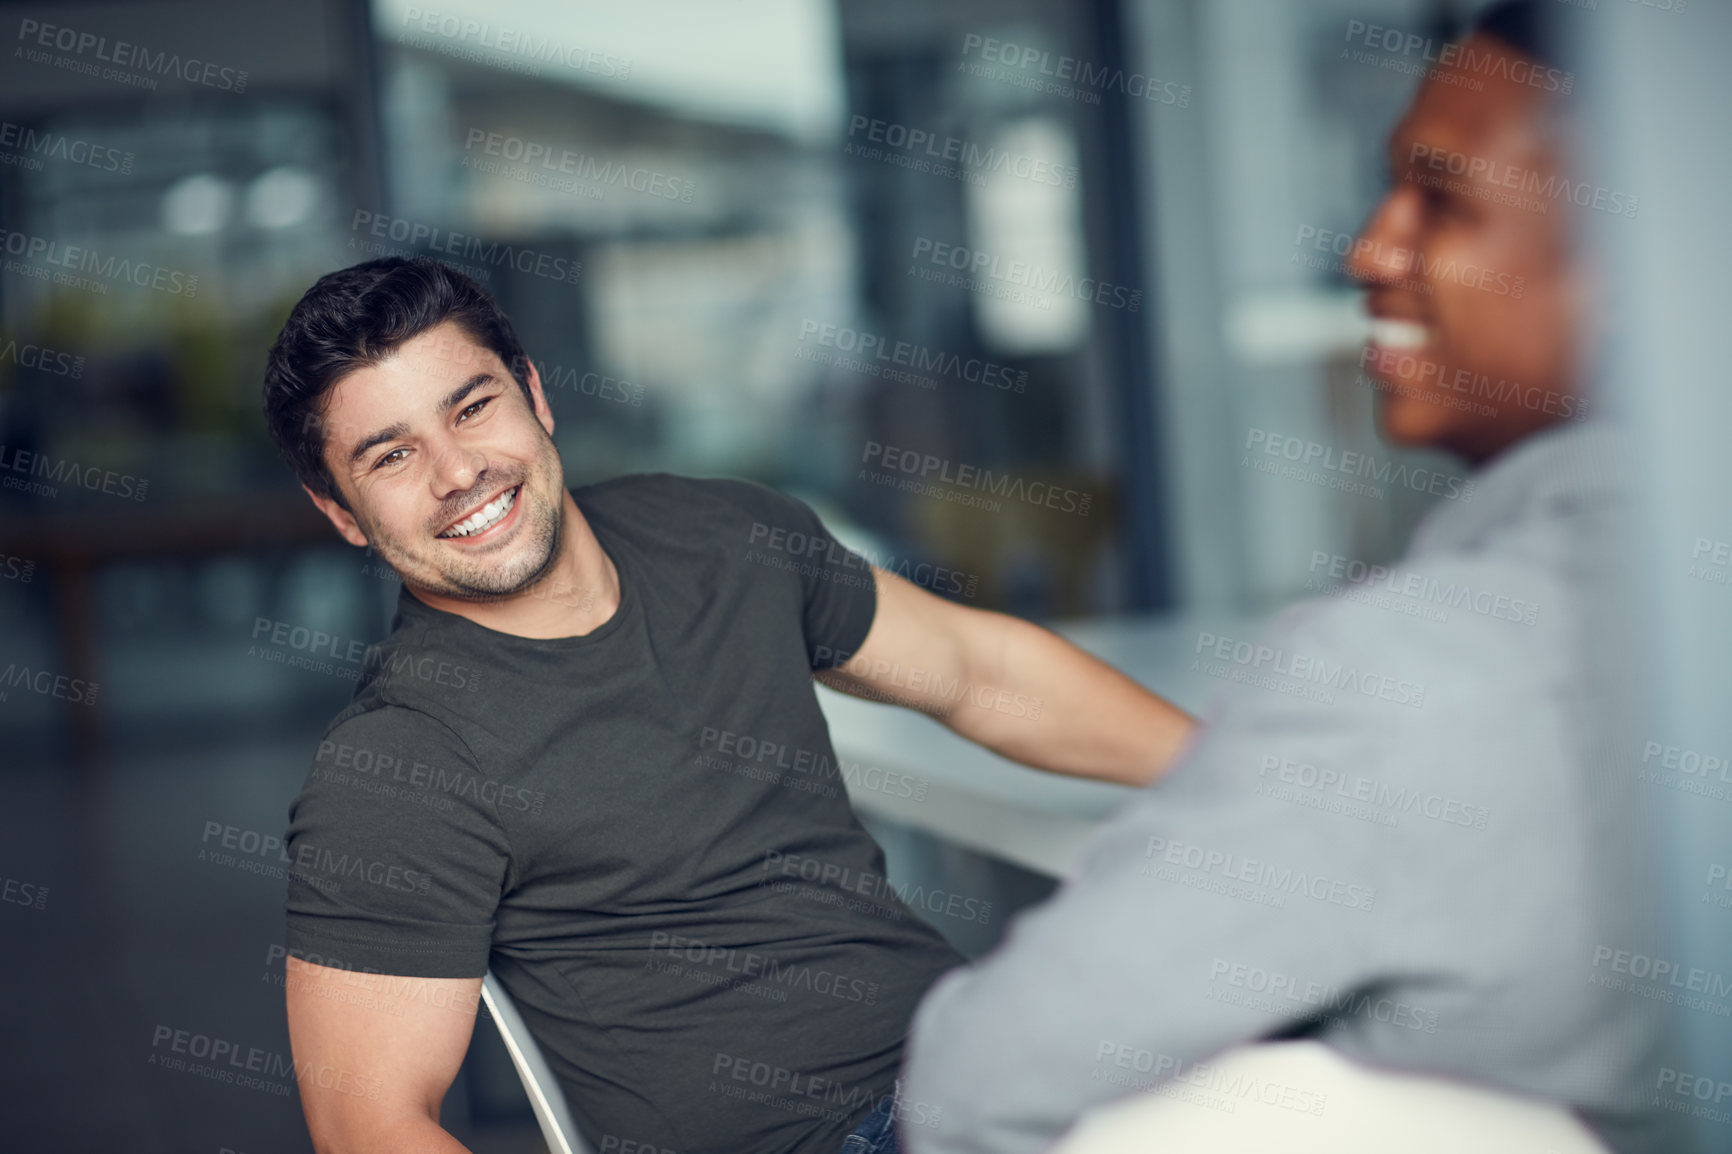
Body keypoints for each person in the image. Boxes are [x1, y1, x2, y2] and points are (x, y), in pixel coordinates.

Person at [899, 3, 1681, 1153]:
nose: (1368, 248)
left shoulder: (1408, 677)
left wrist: (1281, 783)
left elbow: (976, 1089)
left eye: (1443, 199)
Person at [261, 254, 1196, 1154]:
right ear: (342, 512)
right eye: (391, 457)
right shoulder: (399, 766)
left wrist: (1244, 770)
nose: (458, 471)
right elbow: (369, 1126)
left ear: (534, 395)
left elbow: (974, 669)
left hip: (981, 1062)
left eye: (473, 407)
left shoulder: (721, 534)